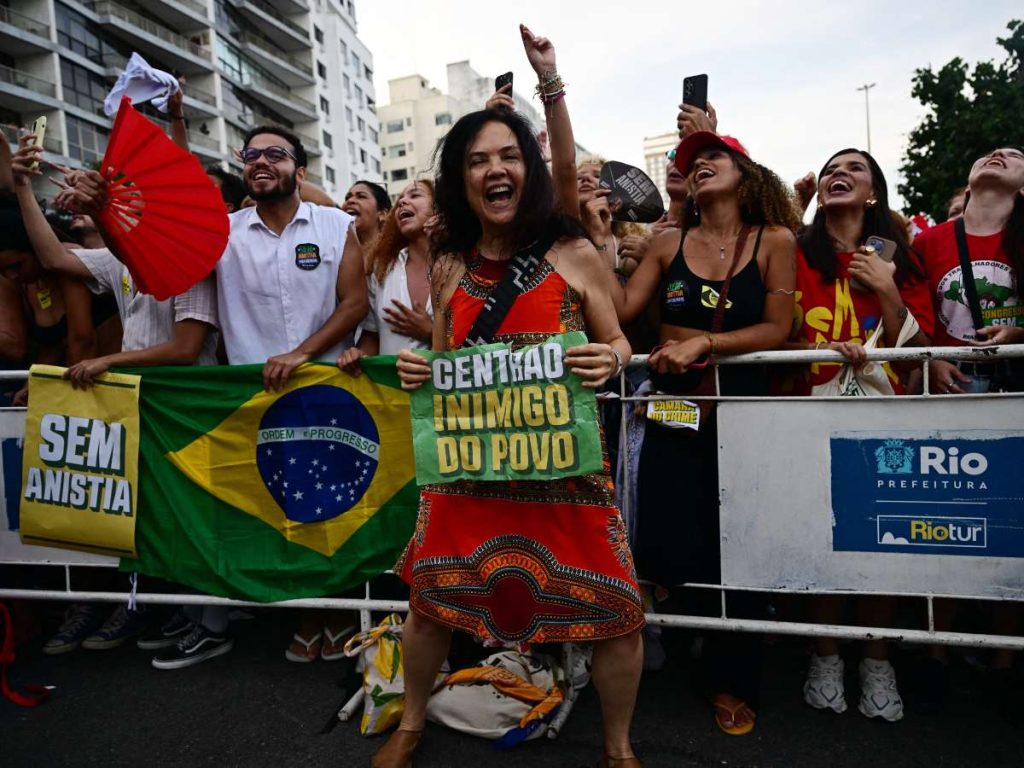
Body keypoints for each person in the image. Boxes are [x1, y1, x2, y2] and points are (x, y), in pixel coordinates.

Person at [377, 50, 644, 768]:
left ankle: (618, 749)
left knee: (616, 614)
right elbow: (440, 362)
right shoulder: (451, 265)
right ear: (459, 180)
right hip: (469, 474)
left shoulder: (572, 253)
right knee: (430, 605)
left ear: (527, 171)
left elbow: (619, 339)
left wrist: (609, 356)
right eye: (476, 161)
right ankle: (410, 726)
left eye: (508, 156)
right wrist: (418, 369)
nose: (494, 170)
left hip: (563, 472)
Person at [10, 134, 226, 667]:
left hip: (189, 409)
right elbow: (52, 255)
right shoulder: (119, 262)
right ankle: (185, 613)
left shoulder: (186, 260)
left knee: (195, 519)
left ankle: (215, 624)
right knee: (161, 518)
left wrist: (109, 362)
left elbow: (186, 347)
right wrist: (21, 185)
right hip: (144, 407)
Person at [615, 130, 799, 736]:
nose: (699, 167)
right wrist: (592, 241)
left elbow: (777, 326)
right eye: (691, 163)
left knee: (739, 542)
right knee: (672, 540)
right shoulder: (667, 242)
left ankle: (731, 677)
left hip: (744, 413)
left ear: (746, 174)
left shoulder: (774, 239)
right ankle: (697, 643)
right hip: (672, 410)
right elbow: (617, 310)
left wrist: (705, 342)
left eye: (713, 157)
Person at [788, 148, 934, 723]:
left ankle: (877, 660)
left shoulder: (901, 259)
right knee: (819, 537)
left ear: (873, 192)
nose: (838, 174)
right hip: (804, 416)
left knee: (881, 541)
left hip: (884, 419)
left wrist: (889, 289)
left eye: (854, 168)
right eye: (829, 169)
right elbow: (771, 326)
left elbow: (920, 353)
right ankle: (824, 656)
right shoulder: (792, 253)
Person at [338, 180, 434, 371]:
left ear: (439, 209)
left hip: (447, 396)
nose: (403, 202)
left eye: (414, 195)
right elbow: (372, 335)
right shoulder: (382, 269)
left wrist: (432, 333)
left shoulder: (464, 266)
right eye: (400, 200)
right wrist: (358, 354)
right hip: (392, 396)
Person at [341, 179, 392, 270]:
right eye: (347, 198)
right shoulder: (337, 254)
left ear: (382, 214)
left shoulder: (396, 256)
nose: (350, 201)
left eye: (361, 197)